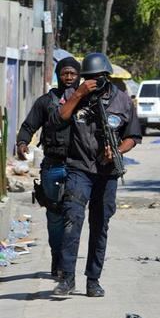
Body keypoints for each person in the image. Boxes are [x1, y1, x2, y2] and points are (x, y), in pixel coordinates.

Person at [50, 52, 142, 297]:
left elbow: (133, 137)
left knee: (100, 225)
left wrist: (118, 150)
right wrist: (80, 93)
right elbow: (59, 119)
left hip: (107, 172)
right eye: (88, 77)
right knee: (72, 220)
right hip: (79, 168)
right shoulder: (74, 95)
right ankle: (67, 278)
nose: (94, 82)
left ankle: (93, 279)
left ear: (107, 76)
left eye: (98, 78)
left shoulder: (123, 101)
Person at [16, 57, 81, 279]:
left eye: (73, 74)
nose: (69, 78)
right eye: (65, 74)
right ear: (59, 75)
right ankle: (57, 257)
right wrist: (22, 143)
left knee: (73, 215)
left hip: (78, 167)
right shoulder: (46, 101)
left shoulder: (87, 100)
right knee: (54, 215)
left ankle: (67, 262)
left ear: (79, 75)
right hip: (52, 165)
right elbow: (28, 126)